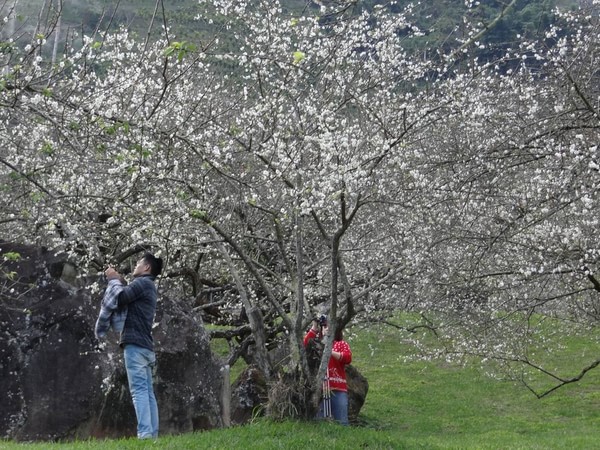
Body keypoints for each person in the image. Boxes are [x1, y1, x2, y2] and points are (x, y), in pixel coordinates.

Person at [103, 252, 163, 440]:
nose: (135, 265)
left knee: (138, 391)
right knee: (147, 391)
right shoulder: (149, 286)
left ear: (147, 268)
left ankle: (145, 434)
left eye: (138, 262)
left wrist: (113, 279)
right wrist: (120, 279)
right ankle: (152, 435)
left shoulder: (142, 283)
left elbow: (119, 298)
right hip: (146, 346)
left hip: (135, 346)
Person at [303, 316, 352, 425]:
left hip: (338, 387)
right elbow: (304, 345)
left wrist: (330, 351)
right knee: (319, 422)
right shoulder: (316, 344)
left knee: (341, 421)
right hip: (319, 388)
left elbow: (347, 357)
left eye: (330, 326)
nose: (327, 328)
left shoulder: (340, 344)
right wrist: (314, 327)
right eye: (324, 326)